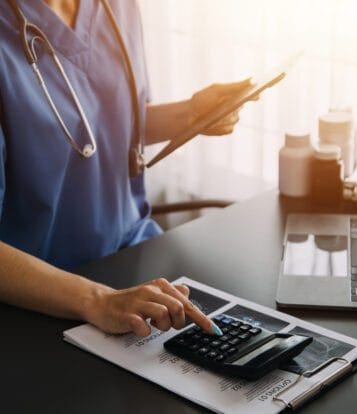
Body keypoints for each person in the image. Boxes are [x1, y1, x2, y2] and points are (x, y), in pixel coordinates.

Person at [0, 0, 251, 337]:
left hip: (133, 256)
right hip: (40, 297)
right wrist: (99, 300)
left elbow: (101, 122)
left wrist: (189, 115)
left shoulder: (116, 6)